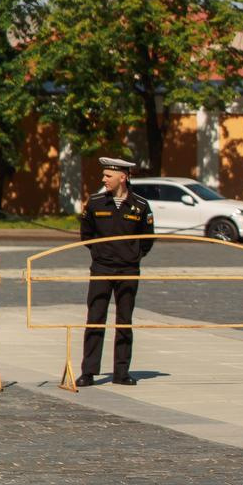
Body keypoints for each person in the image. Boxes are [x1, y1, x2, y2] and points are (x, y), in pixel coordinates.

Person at [76, 156, 154, 387]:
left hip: (128, 270)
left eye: (108, 176)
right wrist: (101, 254)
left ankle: (121, 372)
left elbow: (147, 239)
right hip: (101, 268)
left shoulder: (140, 206)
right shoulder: (96, 202)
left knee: (124, 321)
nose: (104, 179)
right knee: (95, 319)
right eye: (104, 175)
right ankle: (88, 372)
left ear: (123, 177)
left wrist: (133, 256)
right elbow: (86, 234)